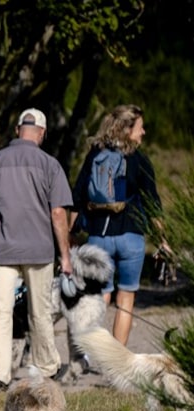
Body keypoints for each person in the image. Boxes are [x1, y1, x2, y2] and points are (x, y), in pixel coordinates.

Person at [0, 108, 73, 391]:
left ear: (17, 131)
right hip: (39, 251)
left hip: (3, 250)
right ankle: (46, 369)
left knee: (0, 313)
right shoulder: (50, 164)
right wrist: (65, 255)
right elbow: (59, 213)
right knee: (41, 311)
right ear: (42, 133)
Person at [69, 104, 167, 347]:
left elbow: (78, 197)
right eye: (140, 128)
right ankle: (116, 360)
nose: (143, 133)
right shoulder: (140, 160)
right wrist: (162, 240)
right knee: (125, 299)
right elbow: (153, 204)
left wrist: (71, 236)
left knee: (100, 296)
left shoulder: (95, 154)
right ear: (127, 129)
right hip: (131, 236)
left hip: (98, 235)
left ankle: (95, 353)